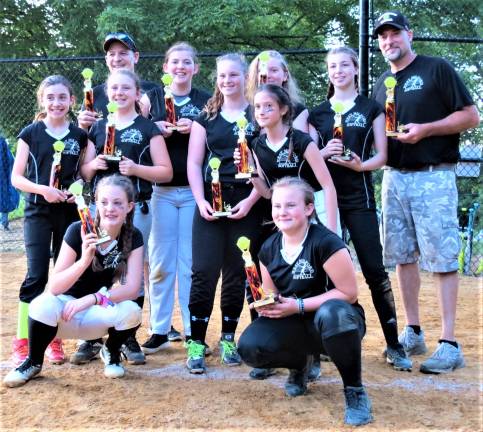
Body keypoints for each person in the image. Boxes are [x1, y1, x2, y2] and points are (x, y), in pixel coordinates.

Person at [372, 11, 479, 373]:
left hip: (433, 176)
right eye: (383, 37)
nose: (389, 42)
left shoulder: (437, 69)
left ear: (409, 35)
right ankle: (413, 331)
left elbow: (470, 116)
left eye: (395, 34)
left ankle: (449, 343)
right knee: (402, 256)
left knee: (443, 258)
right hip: (394, 177)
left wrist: (427, 129)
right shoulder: (381, 82)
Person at [238, 177, 373, 427]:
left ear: (309, 208)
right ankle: (300, 364)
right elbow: (273, 295)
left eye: (291, 205)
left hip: (338, 322)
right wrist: (266, 303)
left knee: (334, 314)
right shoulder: (267, 248)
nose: (282, 212)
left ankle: (355, 391)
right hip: (296, 321)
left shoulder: (326, 242)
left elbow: (348, 293)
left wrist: (298, 305)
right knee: (250, 347)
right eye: (277, 206)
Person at [308, 46, 411, 371]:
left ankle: (394, 345)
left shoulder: (371, 108)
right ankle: (317, 347)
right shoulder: (317, 113)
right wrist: (324, 152)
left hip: (359, 200)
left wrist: (359, 165)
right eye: (332, 66)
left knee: (374, 272)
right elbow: (309, 159)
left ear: (354, 69)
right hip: (325, 203)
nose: (338, 71)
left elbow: (381, 157)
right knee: (320, 276)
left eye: (344, 65)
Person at [3, 174, 144, 388]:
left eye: (118, 203)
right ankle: (33, 362)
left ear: (130, 206)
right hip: (65, 312)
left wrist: (92, 299)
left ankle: (112, 352)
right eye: (104, 202)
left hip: (94, 312)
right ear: (96, 203)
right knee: (40, 304)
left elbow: (132, 288)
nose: (110, 208)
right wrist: (84, 261)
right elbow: (55, 287)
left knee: (132, 310)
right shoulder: (77, 230)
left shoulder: (133, 235)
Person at [74, 31, 159, 364]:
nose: (117, 57)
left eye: (124, 52)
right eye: (112, 53)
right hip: (101, 204)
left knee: (130, 268)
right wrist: (91, 164)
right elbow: (84, 163)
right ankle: (93, 336)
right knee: (96, 263)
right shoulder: (93, 99)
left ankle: (127, 336)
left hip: (136, 202)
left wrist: (134, 167)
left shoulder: (151, 94)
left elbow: (160, 155)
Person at [186, 53, 262, 374]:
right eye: (222, 76)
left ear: (245, 77)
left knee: (236, 273)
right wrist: (201, 200)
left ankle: (228, 338)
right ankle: (196, 343)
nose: (227, 81)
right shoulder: (205, 117)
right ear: (216, 79)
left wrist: (252, 199)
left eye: (233, 75)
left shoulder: (257, 115)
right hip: (210, 204)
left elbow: (266, 163)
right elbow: (193, 163)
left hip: (246, 203)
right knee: (203, 272)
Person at [10, 75, 91, 367]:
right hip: (37, 212)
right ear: (42, 101)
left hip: (68, 214)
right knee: (36, 276)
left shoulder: (79, 136)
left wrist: (75, 190)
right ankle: (23, 341)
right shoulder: (30, 133)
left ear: (72, 101)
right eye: (50, 97)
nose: (56, 102)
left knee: (62, 277)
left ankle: (51, 338)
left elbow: (83, 173)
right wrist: (43, 189)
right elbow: (16, 177)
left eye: (62, 97)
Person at [139, 42, 211, 353]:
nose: (180, 67)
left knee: (190, 263)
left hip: (196, 192)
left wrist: (197, 127)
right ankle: (159, 329)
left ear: (196, 68)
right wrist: (152, 128)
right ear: (165, 68)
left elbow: (217, 135)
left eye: (187, 62)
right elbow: (133, 128)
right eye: (174, 62)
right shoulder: (151, 99)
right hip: (162, 192)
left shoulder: (207, 100)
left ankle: (195, 330)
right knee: (160, 263)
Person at [247, 50, 309, 132]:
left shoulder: (298, 110)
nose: (267, 75)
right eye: (261, 70)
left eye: (274, 70)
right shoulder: (246, 109)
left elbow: (300, 143)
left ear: (285, 76)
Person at [0, 135, 19, 230]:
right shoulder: (2, 140)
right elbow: (10, 159)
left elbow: (9, 159)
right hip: (3, 175)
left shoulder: (2, 141)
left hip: (3, 174)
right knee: (4, 195)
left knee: (4, 195)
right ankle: (4, 222)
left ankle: (4, 222)